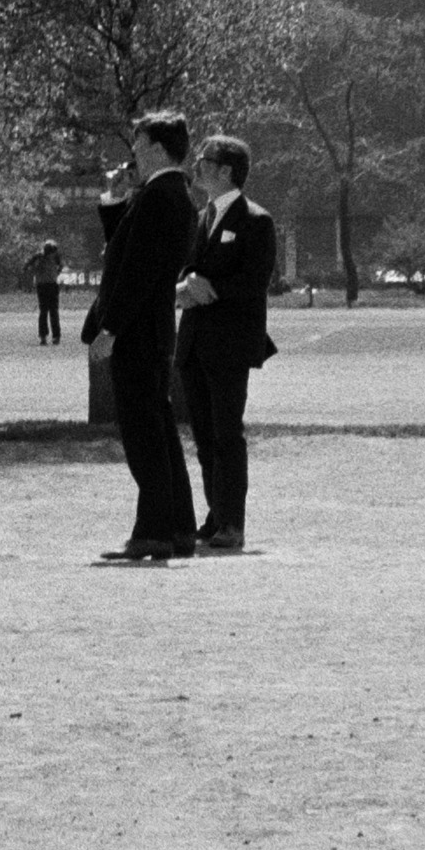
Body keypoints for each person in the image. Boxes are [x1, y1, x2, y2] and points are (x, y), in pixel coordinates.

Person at [85, 109, 201, 562]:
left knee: (143, 434)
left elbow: (136, 272)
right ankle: (177, 527)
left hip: (138, 330)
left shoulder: (160, 196)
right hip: (150, 329)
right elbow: (127, 252)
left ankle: (154, 530)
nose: (132, 153)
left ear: (155, 147)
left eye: (137, 144)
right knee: (159, 430)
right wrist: (114, 201)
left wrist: (110, 327)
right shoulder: (165, 193)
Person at [171, 134, 278, 553]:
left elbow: (255, 281)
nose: (196, 167)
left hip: (230, 344)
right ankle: (215, 515)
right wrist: (185, 285)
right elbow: (188, 270)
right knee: (203, 435)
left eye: (204, 161)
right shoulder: (203, 217)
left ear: (226, 170)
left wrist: (207, 286)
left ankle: (233, 523)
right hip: (195, 342)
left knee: (226, 434)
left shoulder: (256, 220)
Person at [26, 238, 65, 347]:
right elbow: (27, 266)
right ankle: (47, 336)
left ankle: (53, 336)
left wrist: (55, 273)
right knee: (47, 311)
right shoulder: (39, 256)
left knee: (51, 311)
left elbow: (61, 266)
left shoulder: (53, 257)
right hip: (45, 285)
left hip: (48, 284)